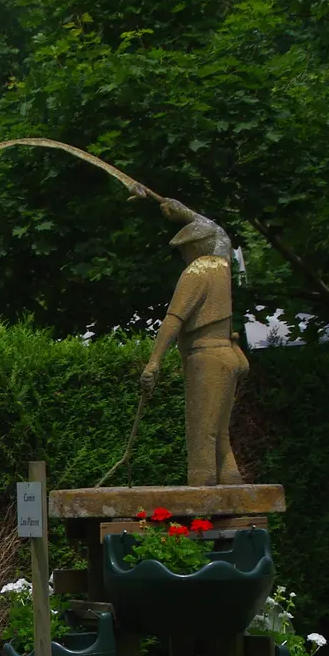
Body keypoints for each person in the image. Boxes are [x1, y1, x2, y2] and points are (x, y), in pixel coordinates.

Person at [138, 196, 246, 486]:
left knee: (201, 433)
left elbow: (174, 319)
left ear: (196, 246)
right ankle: (231, 484)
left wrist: (154, 361)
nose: (184, 256)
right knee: (219, 433)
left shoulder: (197, 272)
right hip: (229, 357)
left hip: (206, 357)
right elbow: (220, 233)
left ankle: (202, 497)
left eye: (185, 249)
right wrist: (185, 212)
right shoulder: (223, 268)